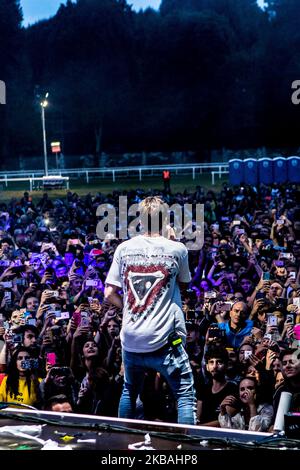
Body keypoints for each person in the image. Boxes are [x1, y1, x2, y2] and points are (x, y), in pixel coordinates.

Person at [104, 196, 196, 425]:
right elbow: (185, 285)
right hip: (164, 340)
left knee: (129, 390)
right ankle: (189, 447)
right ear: (165, 218)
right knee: (184, 395)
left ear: (140, 220)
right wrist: (172, 240)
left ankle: (122, 439)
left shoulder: (123, 248)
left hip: (131, 339)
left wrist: (130, 308)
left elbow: (108, 294)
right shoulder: (177, 249)